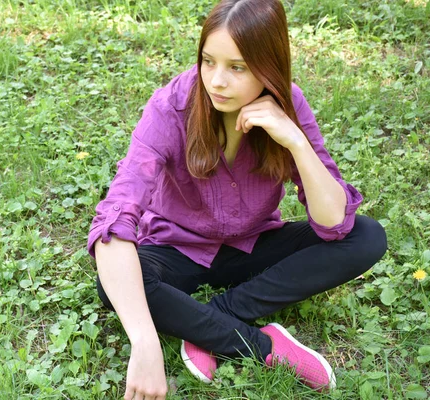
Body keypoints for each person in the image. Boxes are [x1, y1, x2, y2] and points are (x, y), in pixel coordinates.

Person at [87, 0, 387, 398]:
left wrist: (296, 141)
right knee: (116, 283)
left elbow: (334, 222)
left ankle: (219, 316)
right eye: (208, 61)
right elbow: (117, 215)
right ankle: (262, 346)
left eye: (237, 67)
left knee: (366, 236)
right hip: (177, 249)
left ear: (269, 67)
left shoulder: (289, 105)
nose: (216, 81)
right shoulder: (170, 108)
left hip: (253, 243)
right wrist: (144, 342)